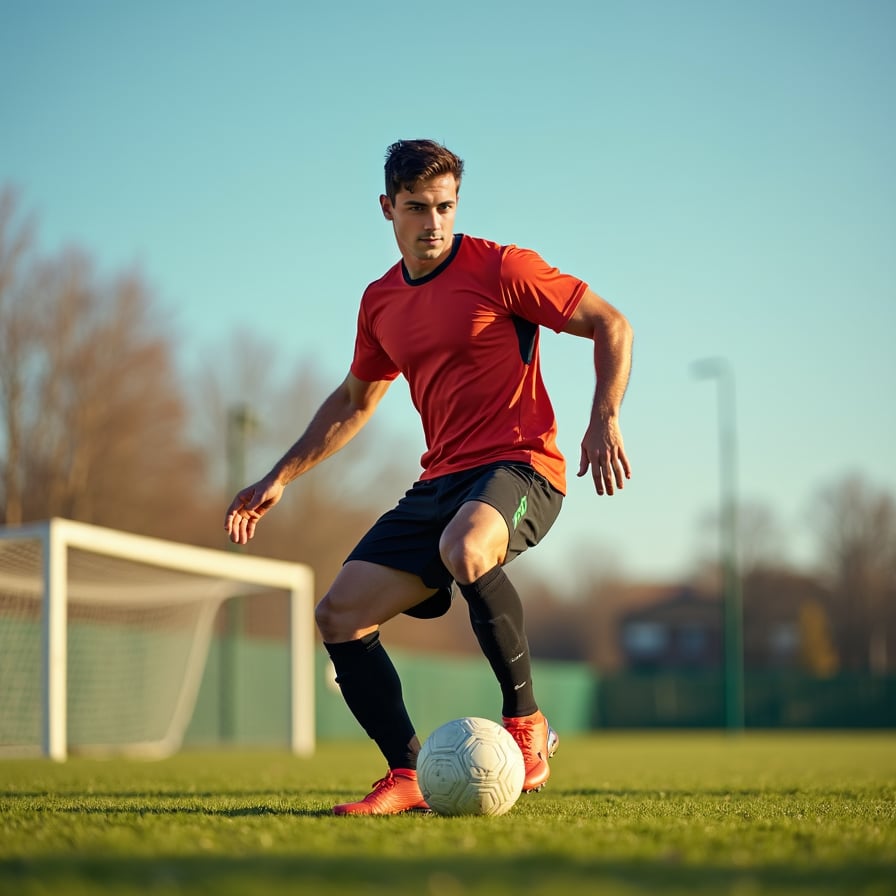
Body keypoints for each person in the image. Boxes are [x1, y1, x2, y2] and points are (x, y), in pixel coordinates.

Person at [225, 139, 633, 815]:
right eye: (417, 207)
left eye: (445, 206)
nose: (434, 222)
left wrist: (605, 415)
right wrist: (281, 474)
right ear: (388, 208)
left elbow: (610, 324)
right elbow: (356, 400)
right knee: (339, 615)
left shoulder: (503, 268)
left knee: (466, 547)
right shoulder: (380, 301)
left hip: (523, 465)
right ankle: (408, 772)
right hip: (441, 481)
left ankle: (528, 726)